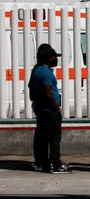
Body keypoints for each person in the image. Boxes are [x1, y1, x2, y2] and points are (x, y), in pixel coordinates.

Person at [28, 44, 71, 174]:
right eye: (54, 57)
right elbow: (48, 92)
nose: (57, 59)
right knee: (54, 138)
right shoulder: (46, 73)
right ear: (48, 58)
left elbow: (31, 90)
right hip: (49, 111)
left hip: (41, 110)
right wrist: (56, 108)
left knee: (42, 138)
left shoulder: (36, 71)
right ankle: (56, 164)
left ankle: (44, 163)